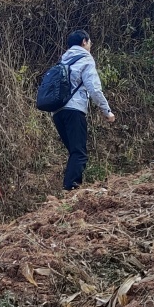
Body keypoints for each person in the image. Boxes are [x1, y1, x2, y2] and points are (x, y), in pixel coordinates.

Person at [49, 29, 115, 190]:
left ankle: (73, 188)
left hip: (57, 112)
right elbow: (94, 89)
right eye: (90, 42)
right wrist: (106, 111)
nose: (90, 45)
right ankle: (71, 189)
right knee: (79, 153)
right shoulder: (86, 59)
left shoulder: (63, 61)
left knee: (74, 152)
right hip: (74, 110)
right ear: (84, 42)